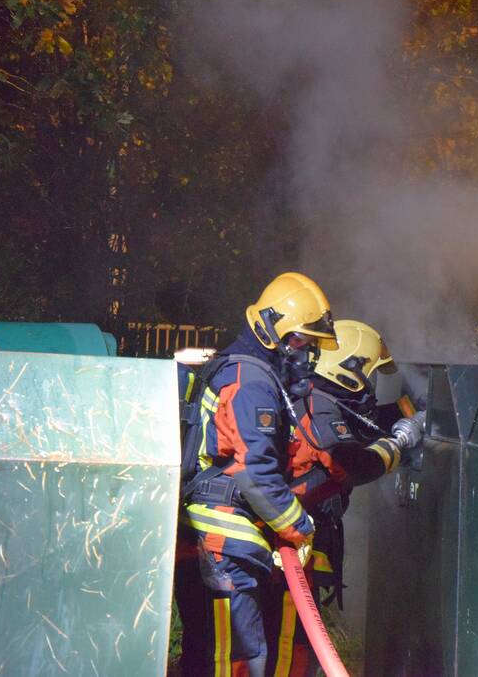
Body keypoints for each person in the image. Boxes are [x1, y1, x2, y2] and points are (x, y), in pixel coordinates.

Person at [174, 272, 337, 677]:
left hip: (218, 541)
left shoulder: (248, 372)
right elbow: (256, 471)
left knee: (211, 654)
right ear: (269, 329)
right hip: (223, 540)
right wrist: (300, 527)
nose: (304, 352)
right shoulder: (250, 382)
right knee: (237, 659)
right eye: (299, 340)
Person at [262, 319, 424, 676]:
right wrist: (398, 442)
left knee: (290, 643)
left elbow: (360, 426)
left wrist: (408, 412)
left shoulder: (317, 398)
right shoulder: (320, 408)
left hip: (292, 546)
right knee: (289, 646)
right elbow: (352, 465)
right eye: (371, 375)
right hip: (288, 552)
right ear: (351, 372)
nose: (372, 387)